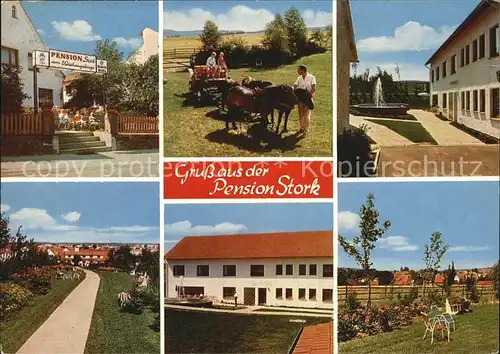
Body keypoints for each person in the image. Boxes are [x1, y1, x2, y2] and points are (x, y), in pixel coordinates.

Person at [293, 64, 316, 135]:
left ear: (302, 70)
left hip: (308, 98)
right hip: (300, 99)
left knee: (306, 114)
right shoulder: (299, 78)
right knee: (301, 114)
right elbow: (295, 86)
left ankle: (305, 129)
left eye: (298, 69)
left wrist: (308, 96)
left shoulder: (312, 77)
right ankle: (301, 127)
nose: (297, 71)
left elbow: (314, 88)